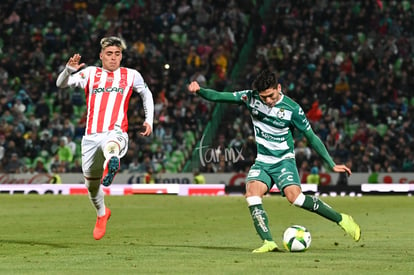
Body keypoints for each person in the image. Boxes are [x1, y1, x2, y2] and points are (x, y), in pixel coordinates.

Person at [187, 69, 361, 253]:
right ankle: (268, 242)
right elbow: (220, 96)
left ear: (279, 88)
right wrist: (200, 90)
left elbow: (311, 136)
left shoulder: (293, 109)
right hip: (263, 160)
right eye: (264, 97)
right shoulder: (250, 97)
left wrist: (331, 163)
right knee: (252, 194)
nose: (268, 101)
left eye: (271, 95)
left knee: (296, 198)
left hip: (284, 160)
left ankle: (341, 219)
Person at [56, 36, 154, 240]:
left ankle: (112, 162)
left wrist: (149, 120)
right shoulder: (90, 73)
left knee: (113, 145)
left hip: (115, 131)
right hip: (91, 137)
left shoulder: (131, 75)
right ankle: (102, 213)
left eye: (117, 54)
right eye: (109, 54)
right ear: (101, 56)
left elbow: (146, 94)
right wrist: (68, 70)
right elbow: (61, 84)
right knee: (92, 187)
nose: (113, 58)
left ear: (121, 56)